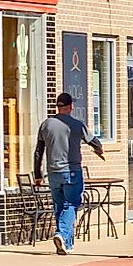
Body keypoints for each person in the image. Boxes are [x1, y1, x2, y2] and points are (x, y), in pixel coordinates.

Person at [33, 91, 105, 254]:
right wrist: (99, 149)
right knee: (71, 204)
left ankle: (67, 244)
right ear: (71, 106)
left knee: (60, 206)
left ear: (58, 106)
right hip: (72, 171)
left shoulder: (46, 124)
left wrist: (37, 174)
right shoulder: (77, 125)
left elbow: (38, 151)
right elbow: (94, 141)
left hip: (53, 173)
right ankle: (62, 234)